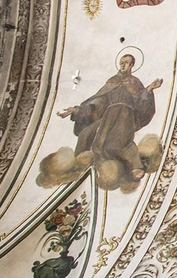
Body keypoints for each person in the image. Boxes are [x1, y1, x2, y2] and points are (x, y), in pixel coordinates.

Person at [55, 54, 163, 189]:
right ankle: (78, 166)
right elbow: (98, 101)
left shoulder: (134, 82)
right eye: (121, 62)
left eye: (126, 63)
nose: (123, 65)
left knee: (120, 143)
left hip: (125, 115)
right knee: (86, 134)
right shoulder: (112, 81)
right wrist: (76, 110)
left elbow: (140, 99)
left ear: (131, 65)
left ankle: (135, 166)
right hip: (108, 116)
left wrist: (149, 89)